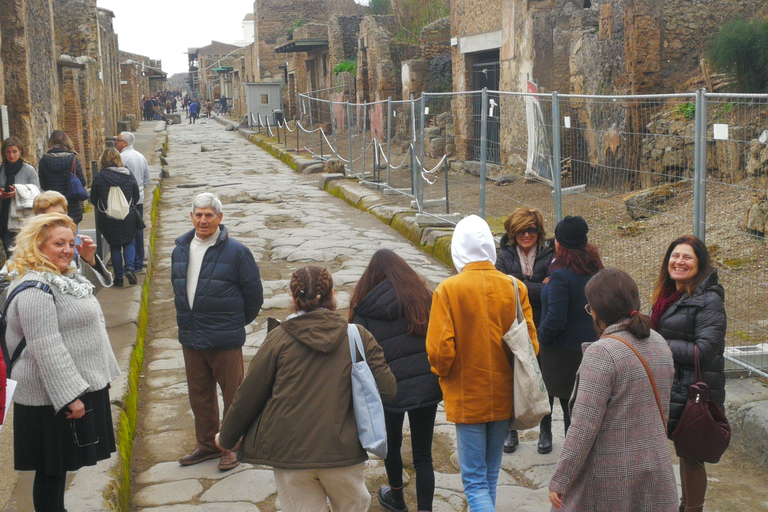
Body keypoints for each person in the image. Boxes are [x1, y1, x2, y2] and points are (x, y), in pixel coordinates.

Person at [217, 265, 396, 512]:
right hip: (342, 453)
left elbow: (248, 395)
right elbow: (388, 390)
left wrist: (227, 437)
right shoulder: (358, 336)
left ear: (294, 298)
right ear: (332, 295)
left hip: (290, 455)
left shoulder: (277, 339)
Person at [5, 213, 120, 512]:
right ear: (37, 245)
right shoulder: (35, 289)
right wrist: (71, 397)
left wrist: (90, 259)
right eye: (59, 243)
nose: (67, 250)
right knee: (51, 470)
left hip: (65, 390)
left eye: (70, 243)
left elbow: (87, 296)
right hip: (50, 397)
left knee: (59, 468)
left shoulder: (60, 277)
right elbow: (46, 348)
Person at [426, 215, 537, 512]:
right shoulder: (514, 287)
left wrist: (444, 374)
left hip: (467, 395)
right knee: (488, 476)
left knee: (473, 482)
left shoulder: (448, 290)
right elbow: (532, 346)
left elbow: (439, 352)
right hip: (504, 393)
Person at [548, 268, 678, 511]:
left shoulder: (602, 353)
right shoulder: (659, 342)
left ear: (597, 311)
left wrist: (561, 479)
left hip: (610, 477)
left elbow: (584, 427)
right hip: (655, 466)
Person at [173, 192, 263, 471]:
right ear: (191, 217)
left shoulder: (237, 251)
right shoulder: (180, 249)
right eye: (198, 214)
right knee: (199, 395)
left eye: (209, 215)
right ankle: (207, 445)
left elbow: (254, 296)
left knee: (233, 395)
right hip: (192, 336)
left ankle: (232, 446)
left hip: (224, 338)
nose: (203, 220)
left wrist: (235, 322)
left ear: (220, 218)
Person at [350, 249, 442, 512]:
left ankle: (397, 498)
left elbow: (357, 353)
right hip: (426, 384)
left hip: (388, 388)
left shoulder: (364, 308)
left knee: (392, 444)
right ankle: (425, 509)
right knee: (423, 454)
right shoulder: (425, 298)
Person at [651, 235, 726, 512]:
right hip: (675, 385)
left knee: (691, 455)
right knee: (684, 452)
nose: (679, 262)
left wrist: (656, 341)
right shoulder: (670, 294)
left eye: (687, 257)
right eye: (675, 255)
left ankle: (692, 508)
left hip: (697, 389)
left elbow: (704, 351)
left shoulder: (709, 300)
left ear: (700, 263)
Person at [495, 207, 555, 454]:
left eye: (531, 230)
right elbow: (501, 290)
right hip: (512, 325)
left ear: (539, 232)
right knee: (512, 376)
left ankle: (546, 429)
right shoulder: (504, 255)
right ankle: (511, 431)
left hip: (542, 324)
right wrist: (536, 286)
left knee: (544, 379)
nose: (527, 235)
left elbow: (552, 291)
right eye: (521, 231)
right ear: (513, 233)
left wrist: (517, 284)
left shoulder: (550, 254)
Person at [538, 216, 603, 439]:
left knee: (569, 411)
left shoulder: (560, 275)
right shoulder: (595, 268)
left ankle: (573, 461)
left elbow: (555, 319)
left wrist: (541, 337)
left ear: (560, 243)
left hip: (562, 355)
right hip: (591, 346)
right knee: (583, 411)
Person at [89, 148, 139, 287]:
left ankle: (118, 279)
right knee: (129, 242)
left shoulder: (99, 177)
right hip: (128, 216)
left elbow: (93, 199)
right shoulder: (128, 174)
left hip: (108, 218)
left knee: (115, 247)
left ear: (103, 159)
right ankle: (129, 268)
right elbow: (136, 195)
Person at [114, 132, 150, 273]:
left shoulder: (121, 158)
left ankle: (129, 263)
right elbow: (147, 180)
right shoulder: (140, 156)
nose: (115, 143)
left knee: (125, 233)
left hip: (124, 201)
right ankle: (138, 262)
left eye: (117, 140)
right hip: (139, 200)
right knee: (138, 231)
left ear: (125, 143)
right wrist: (139, 191)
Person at [0, 137, 40, 255]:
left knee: (21, 252)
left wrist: (17, 193)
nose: (11, 155)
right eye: (8, 152)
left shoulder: (28, 170)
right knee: (9, 251)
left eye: (14, 151)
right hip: (3, 215)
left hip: (21, 218)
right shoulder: (1, 169)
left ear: (20, 152)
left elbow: (36, 193)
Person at [37, 131, 87, 225]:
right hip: (71, 205)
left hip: (52, 206)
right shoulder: (73, 159)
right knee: (72, 235)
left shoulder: (43, 160)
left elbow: (42, 184)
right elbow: (82, 182)